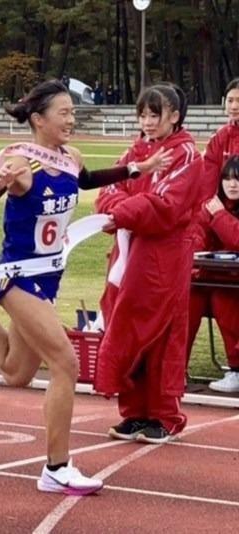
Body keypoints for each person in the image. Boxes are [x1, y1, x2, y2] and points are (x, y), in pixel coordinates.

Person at [0, 80, 170, 496]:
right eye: (64, 113)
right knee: (66, 364)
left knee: (16, 372)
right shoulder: (22, 163)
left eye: (73, 112)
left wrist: (135, 170)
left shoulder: (70, 157)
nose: (72, 119)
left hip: (48, 276)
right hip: (17, 275)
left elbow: (87, 178)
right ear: (39, 119)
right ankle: (56, 467)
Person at [95, 83, 203, 444]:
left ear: (174, 116)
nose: (147, 121)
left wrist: (122, 212)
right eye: (142, 114)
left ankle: (164, 414)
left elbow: (166, 206)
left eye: (154, 114)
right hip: (129, 253)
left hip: (164, 256)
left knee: (161, 331)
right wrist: (117, 210)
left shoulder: (187, 155)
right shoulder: (137, 151)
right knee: (125, 324)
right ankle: (135, 412)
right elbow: (109, 188)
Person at [187, 156, 239, 392]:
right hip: (215, 277)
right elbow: (196, 238)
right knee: (188, 297)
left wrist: (219, 216)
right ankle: (174, 370)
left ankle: (237, 369)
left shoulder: (218, 210)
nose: (232, 184)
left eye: (237, 179)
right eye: (227, 179)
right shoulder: (212, 205)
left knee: (224, 298)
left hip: (229, 283)